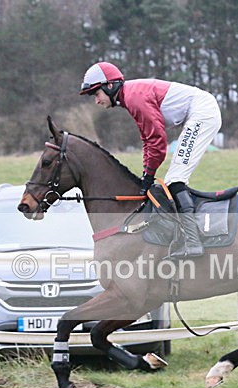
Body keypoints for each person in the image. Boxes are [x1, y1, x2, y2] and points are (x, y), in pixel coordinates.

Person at [79, 61, 222, 258]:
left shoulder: (134, 97)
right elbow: (147, 140)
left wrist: (149, 176)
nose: (96, 101)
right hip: (199, 112)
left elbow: (157, 140)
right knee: (173, 180)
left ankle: (193, 241)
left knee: (175, 180)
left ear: (110, 86)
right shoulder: (129, 97)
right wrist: (147, 173)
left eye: (96, 94)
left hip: (202, 113)